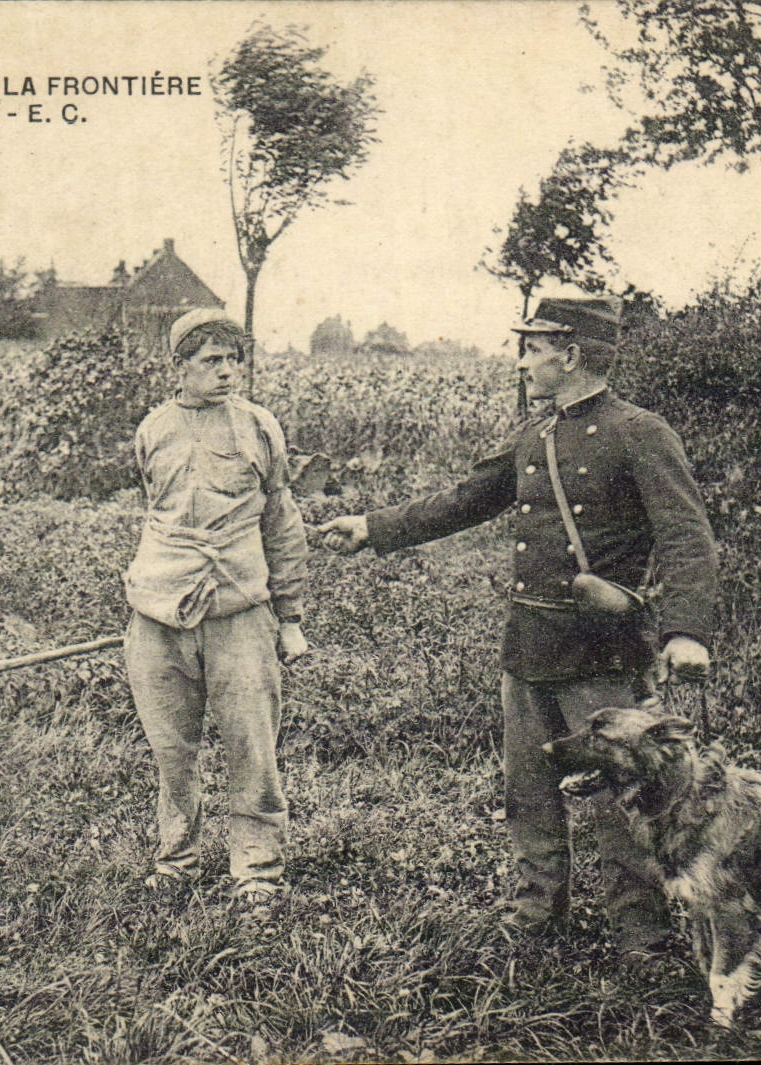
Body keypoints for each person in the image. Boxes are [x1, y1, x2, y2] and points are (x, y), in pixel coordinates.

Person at [318, 296, 718, 958]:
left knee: (619, 796)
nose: (523, 359)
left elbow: (686, 536)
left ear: (572, 354)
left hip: (602, 651)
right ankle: (537, 919)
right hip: (528, 642)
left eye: (533, 347)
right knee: (528, 791)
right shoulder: (534, 433)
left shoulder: (639, 431)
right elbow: (465, 498)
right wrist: (373, 527)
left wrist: (685, 631)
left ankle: (640, 935)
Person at [124, 308, 311, 903]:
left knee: (251, 745)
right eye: (211, 361)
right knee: (171, 747)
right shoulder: (153, 428)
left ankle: (257, 872)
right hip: (158, 613)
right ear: (179, 368)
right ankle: (175, 857)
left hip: (239, 611)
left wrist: (291, 619)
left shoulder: (259, 427)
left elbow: (281, 522)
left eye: (234, 359)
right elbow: (156, 509)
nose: (228, 372)